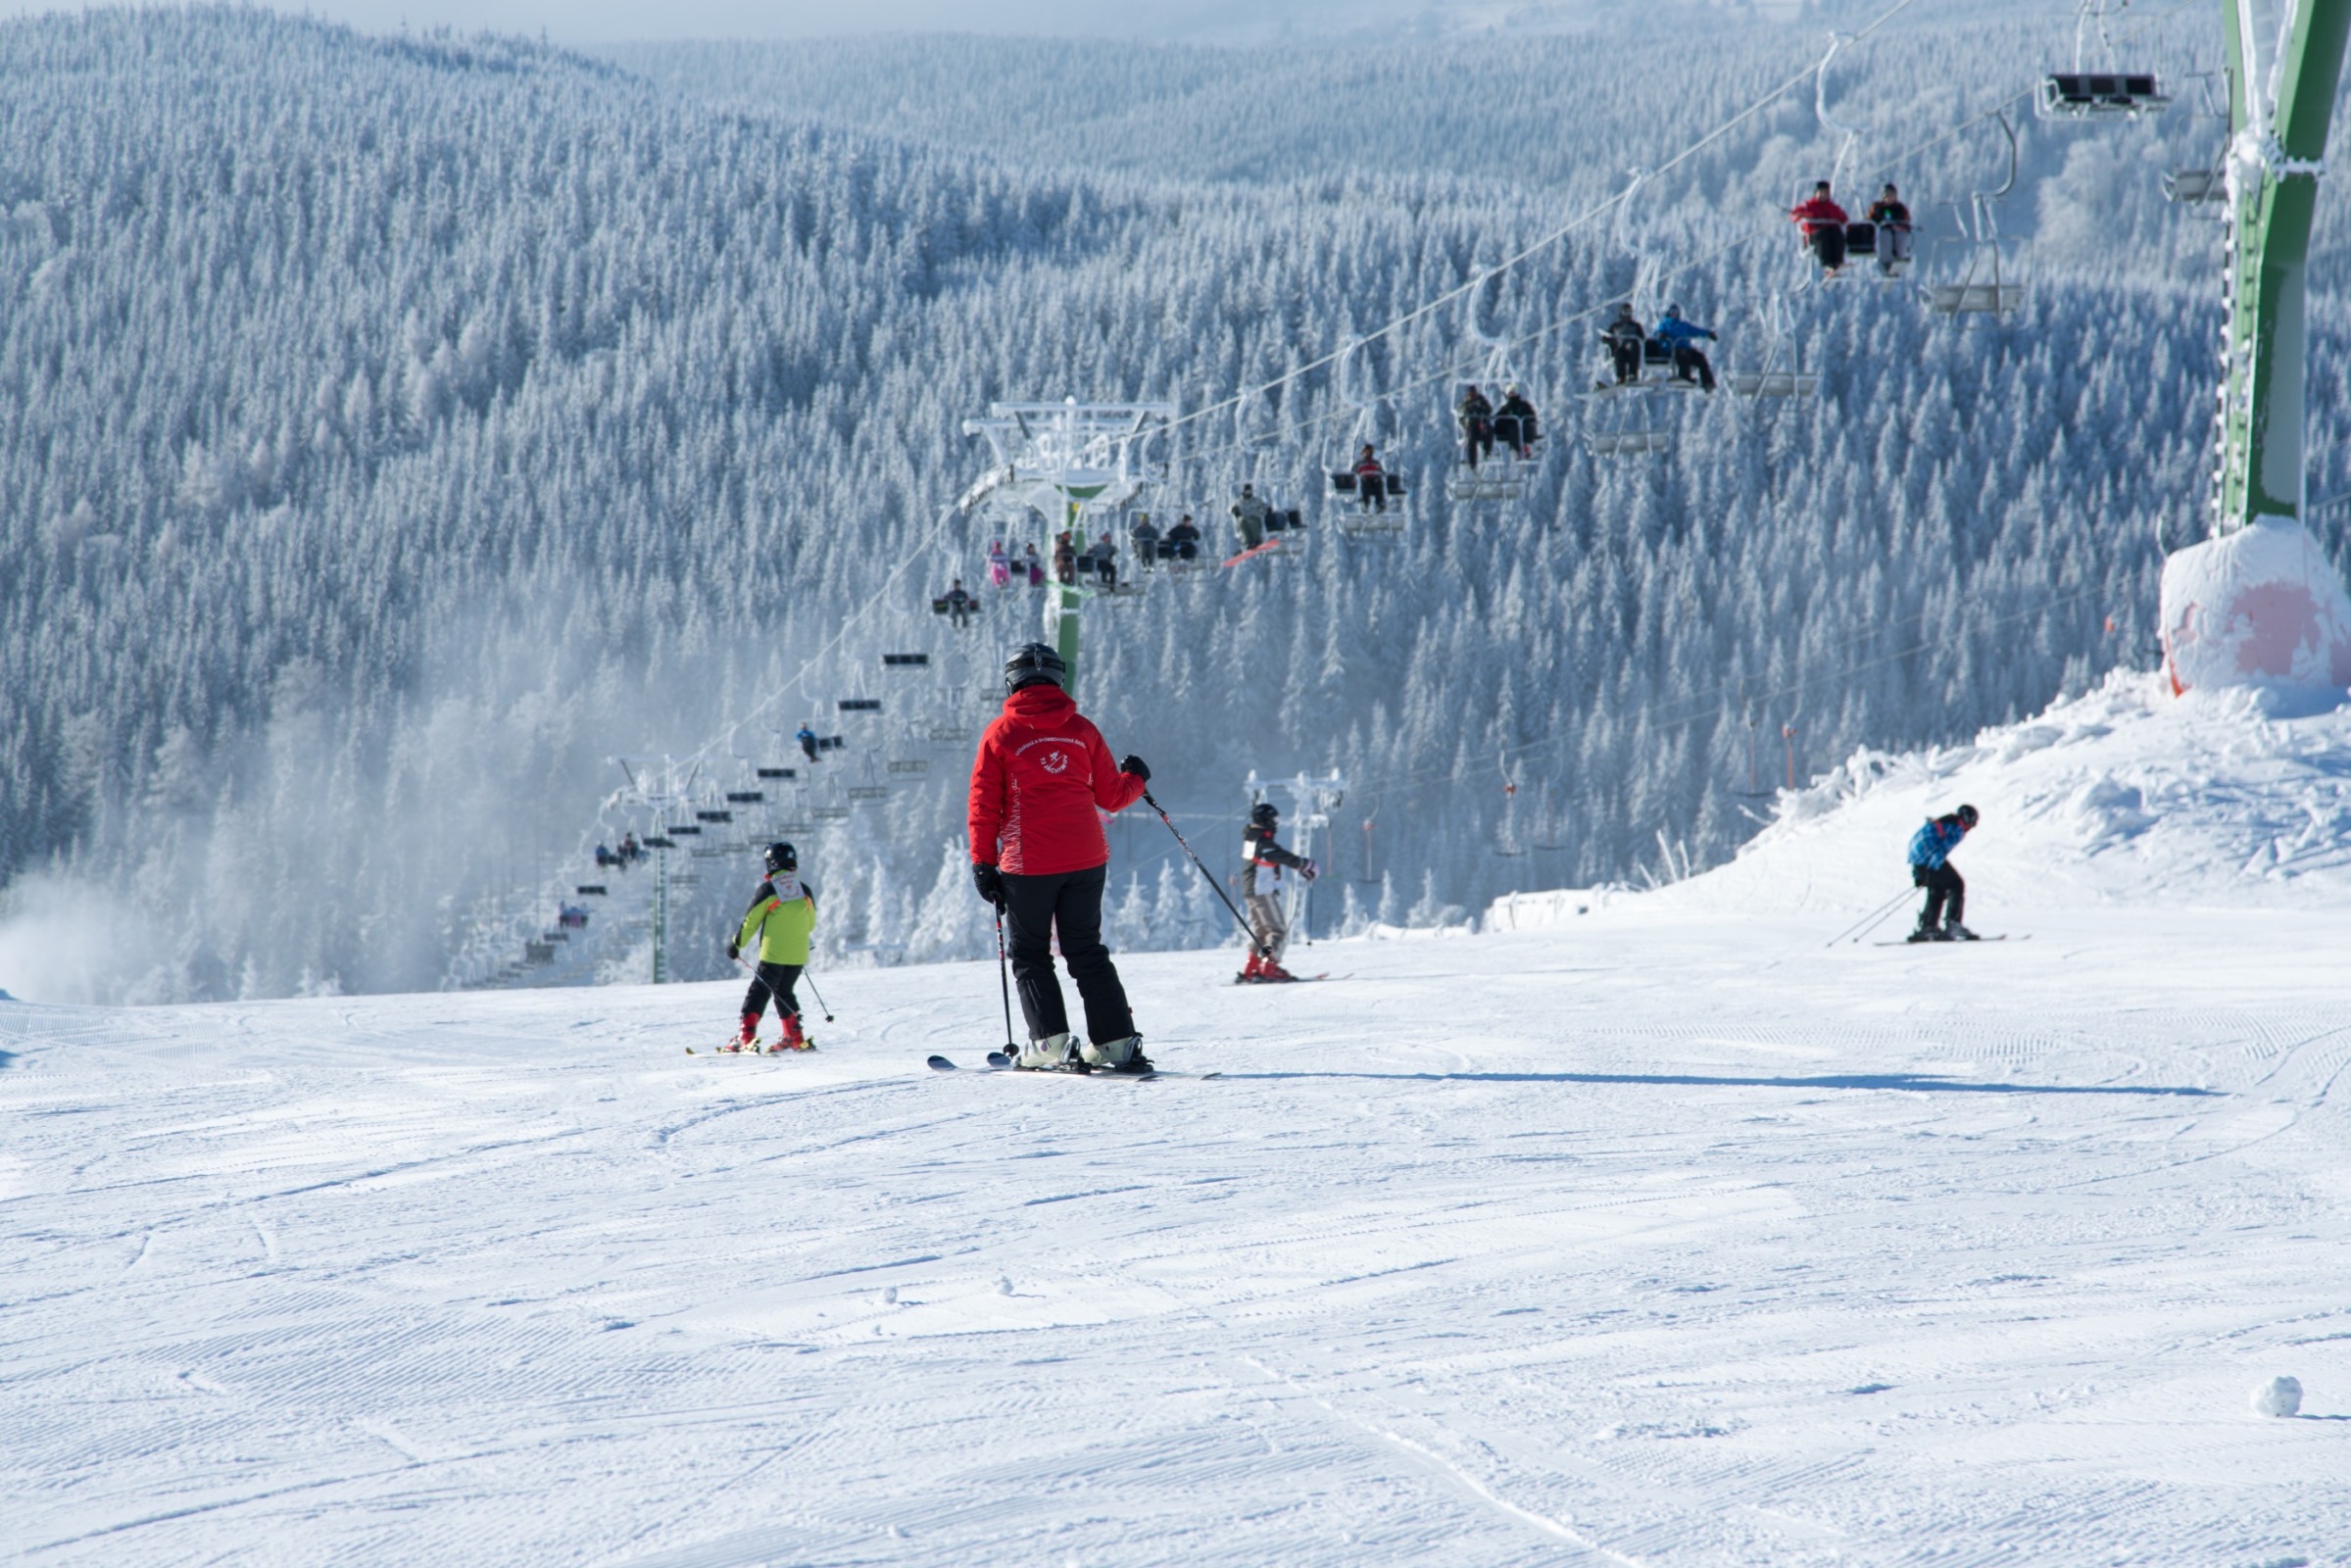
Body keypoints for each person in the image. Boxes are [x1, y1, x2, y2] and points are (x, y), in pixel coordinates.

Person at [968, 643, 1153, 1072]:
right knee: (1086, 950)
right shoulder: (1082, 729)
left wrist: (982, 864)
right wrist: (1137, 777)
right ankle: (1115, 1043)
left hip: (1028, 863)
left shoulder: (1000, 734)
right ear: (1057, 679)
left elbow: (983, 805)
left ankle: (1050, 1044)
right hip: (1087, 857)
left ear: (1011, 681)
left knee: (1031, 954)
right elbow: (1112, 795)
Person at [723, 841, 818, 1051]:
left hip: (774, 955)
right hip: (798, 956)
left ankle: (745, 1037)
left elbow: (751, 922)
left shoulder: (768, 890)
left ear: (772, 863)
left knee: (758, 992)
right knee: (784, 991)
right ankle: (794, 1037)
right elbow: (810, 924)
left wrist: (735, 944)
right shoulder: (805, 891)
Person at [1238, 802, 1316, 983]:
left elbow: (1273, 856)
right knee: (1278, 930)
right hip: (1261, 889)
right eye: (1273, 819)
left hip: (1253, 890)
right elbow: (1279, 855)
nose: (1276, 823)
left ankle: (1252, 969)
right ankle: (1269, 968)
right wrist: (1306, 865)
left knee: (1263, 932)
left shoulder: (1253, 838)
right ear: (1266, 820)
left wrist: (1302, 867)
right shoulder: (1261, 841)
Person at [1906, 804, 1980, 942]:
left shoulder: (1943, 822)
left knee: (1937, 889)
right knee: (1956, 884)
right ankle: (1953, 924)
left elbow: (1916, 844)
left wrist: (1919, 874)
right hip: (1927, 860)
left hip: (1918, 860)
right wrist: (1932, 869)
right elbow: (1941, 850)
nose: (1970, 829)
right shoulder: (1957, 827)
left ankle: (1928, 926)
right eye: (1972, 824)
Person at [1651, 304, 1719, 393]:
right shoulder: (1665, 324)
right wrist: (1660, 335)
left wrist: (1708, 334)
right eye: (1671, 312)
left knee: (1700, 357)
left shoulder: (1683, 325)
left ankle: (1707, 382)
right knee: (1683, 354)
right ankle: (1684, 377)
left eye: (1675, 312)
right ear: (1668, 313)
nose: (1673, 314)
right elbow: (1657, 333)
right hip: (1671, 350)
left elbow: (1696, 331)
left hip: (1686, 349)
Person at [1790, 180, 1851, 277]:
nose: (1823, 195)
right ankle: (1828, 265)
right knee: (1823, 236)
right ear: (1816, 193)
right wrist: (1801, 215)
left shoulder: (1833, 207)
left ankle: (1837, 262)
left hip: (1831, 233)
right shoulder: (1808, 206)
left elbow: (1844, 219)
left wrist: (1850, 228)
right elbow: (1794, 216)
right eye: (1821, 192)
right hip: (1814, 236)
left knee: (1837, 235)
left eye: (1826, 192)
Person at [1867, 182, 1913, 274]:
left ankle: (1899, 258)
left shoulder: (1900, 208)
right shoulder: (1878, 207)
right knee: (1886, 236)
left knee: (1902, 235)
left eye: (1891, 195)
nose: (1888, 197)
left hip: (1898, 231)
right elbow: (1870, 221)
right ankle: (1886, 263)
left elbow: (1907, 221)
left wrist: (1900, 227)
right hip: (1883, 231)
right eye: (1886, 195)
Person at [1601, 304, 1646, 386]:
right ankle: (1621, 377)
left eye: (1629, 312)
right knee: (1618, 352)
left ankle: (1632, 375)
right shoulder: (1615, 326)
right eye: (1625, 312)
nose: (1627, 315)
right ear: (1621, 313)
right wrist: (1607, 339)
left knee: (1634, 346)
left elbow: (1642, 338)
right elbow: (1608, 337)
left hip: (1633, 351)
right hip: (1621, 349)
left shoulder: (1636, 326)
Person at [1494, 385, 1539, 459]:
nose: (1512, 395)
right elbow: (1498, 419)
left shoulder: (1524, 406)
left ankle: (1522, 450)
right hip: (1512, 431)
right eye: (1510, 393)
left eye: (1513, 393)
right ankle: (1520, 450)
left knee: (1516, 429)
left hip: (1524, 430)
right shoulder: (1506, 408)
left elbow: (1531, 416)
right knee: (1513, 429)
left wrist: (1528, 423)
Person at [1457, 385, 1494, 469]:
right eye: (1470, 394)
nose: (1472, 396)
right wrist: (1465, 424)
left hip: (1482, 425)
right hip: (1472, 427)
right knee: (1471, 439)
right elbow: (1460, 415)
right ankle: (1472, 463)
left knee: (1489, 430)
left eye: (1473, 394)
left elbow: (1489, 410)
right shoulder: (1465, 404)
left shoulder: (1481, 400)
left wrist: (1482, 405)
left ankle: (1487, 452)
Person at [1232, 483, 1270, 549]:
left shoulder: (1256, 500)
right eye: (1247, 492)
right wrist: (1235, 511)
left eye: (1250, 492)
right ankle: (1248, 541)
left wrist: (1264, 510)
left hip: (1255, 519)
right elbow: (1232, 508)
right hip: (1245, 519)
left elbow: (1265, 507)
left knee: (1251, 522)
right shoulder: (1240, 502)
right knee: (1242, 522)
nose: (1248, 493)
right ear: (1243, 492)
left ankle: (1257, 540)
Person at [1351, 444, 1388, 513]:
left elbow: (1381, 472)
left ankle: (1380, 504)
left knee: (1379, 482)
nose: (1368, 453)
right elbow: (1353, 472)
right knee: (1365, 483)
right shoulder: (1359, 463)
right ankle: (1365, 503)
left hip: (1374, 479)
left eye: (1369, 451)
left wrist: (1379, 474)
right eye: (1366, 451)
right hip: (1364, 479)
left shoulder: (1376, 462)